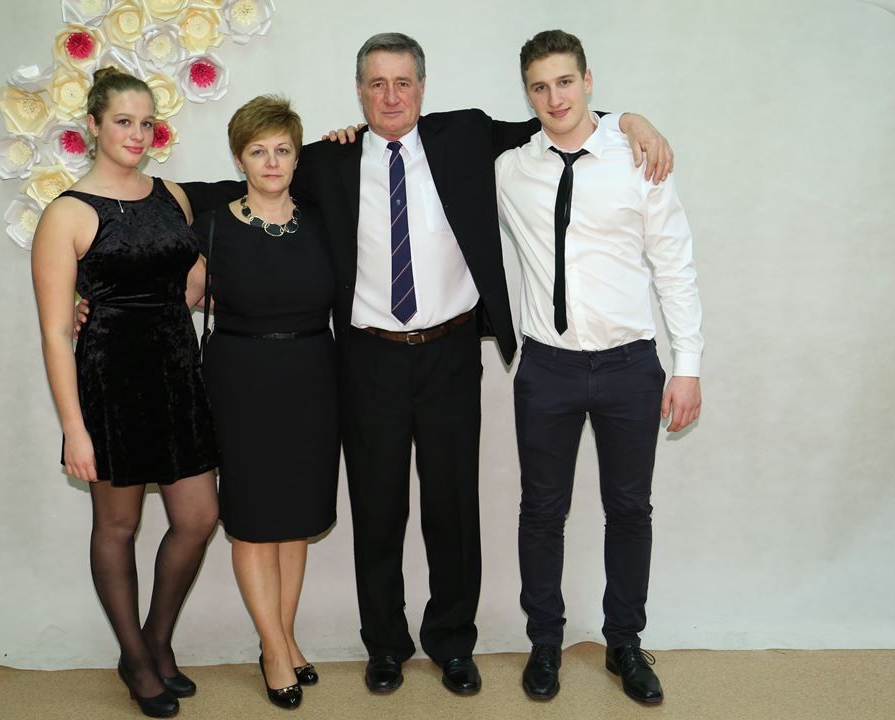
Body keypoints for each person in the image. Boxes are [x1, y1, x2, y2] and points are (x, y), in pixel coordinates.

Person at [290, 32, 674, 695]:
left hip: (448, 352)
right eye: (377, 84)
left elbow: (555, 120)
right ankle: (386, 646)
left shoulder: (464, 136)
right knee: (376, 510)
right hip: (368, 358)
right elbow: (255, 184)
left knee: (452, 508)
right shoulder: (328, 160)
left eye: (403, 82)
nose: (390, 96)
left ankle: (451, 645)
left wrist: (630, 120)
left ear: (422, 88)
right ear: (358, 91)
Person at [495, 30, 703, 704]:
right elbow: (431, 143)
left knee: (630, 509)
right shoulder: (511, 169)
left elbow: (674, 263)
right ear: (528, 94)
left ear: (588, 81)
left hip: (629, 366)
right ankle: (545, 643)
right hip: (547, 368)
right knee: (541, 511)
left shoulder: (636, 157)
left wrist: (688, 365)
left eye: (565, 82)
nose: (554, 98)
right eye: (539, 87)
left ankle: (625, 644)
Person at [31, 67, 218, 719]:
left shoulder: (172, 196)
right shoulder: (67, 213)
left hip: (177, 375)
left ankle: (156, 639)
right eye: (122, 122)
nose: (137, 134)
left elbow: (190, 283)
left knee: (198, 518)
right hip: (110, 384)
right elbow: (55, 332)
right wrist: (74, 429)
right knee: (118, 525)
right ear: (93, 125)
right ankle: (135, 659)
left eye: (146, 123)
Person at [190, 95, 337, 710]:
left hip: (314, 379)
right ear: (239, 159)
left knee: (295, 519)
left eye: (282, 150)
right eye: (258, 151)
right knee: (253, 521)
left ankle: (286, 635)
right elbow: (171, 300)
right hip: (241, 384)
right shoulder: (212, 225)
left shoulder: (324, 219)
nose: (271, 161)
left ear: (297, 157)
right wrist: (91, 305)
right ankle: (273, 650)